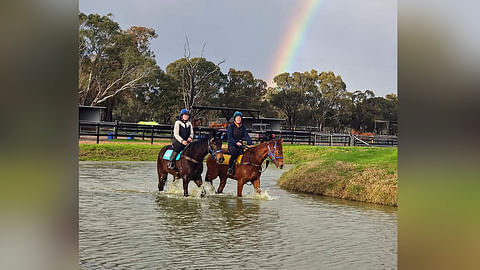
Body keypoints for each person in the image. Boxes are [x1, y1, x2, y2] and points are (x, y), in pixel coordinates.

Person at [226, 111, 253, 176]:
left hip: (240, 145)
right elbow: (229, 138)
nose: (239, 119)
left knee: (246, 154)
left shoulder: (242, 126)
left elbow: (246, 135)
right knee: (234, 153)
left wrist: (250, 144)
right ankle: (230, 168)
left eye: (240, 117)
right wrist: (236, 142)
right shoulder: (231, 126)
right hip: (232, 145)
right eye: (237, 117)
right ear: (235, 118)